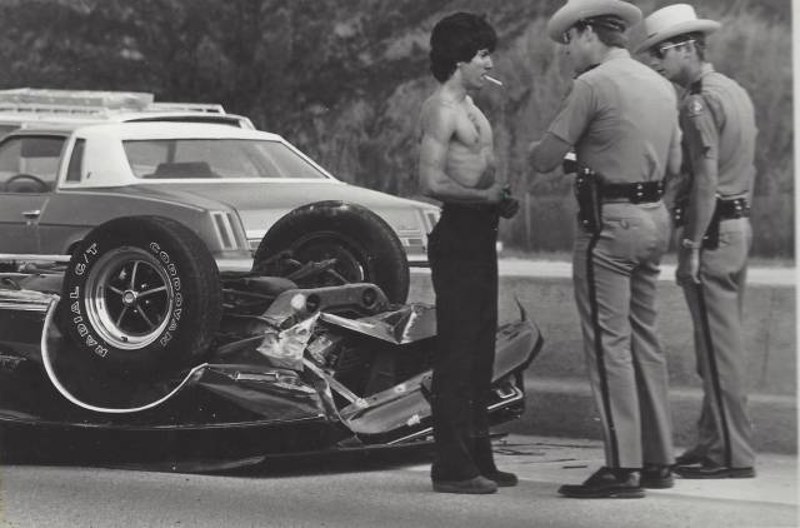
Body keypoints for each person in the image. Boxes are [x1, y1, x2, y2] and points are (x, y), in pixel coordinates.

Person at [528, 0, 683, 498]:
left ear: (585, 32)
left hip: (609, 226)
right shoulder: (660, 84)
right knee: (645, 340)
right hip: (655, 218)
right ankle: (659, 461)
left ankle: (622, 467)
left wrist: (576, 156)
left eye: (568, 42)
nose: (567, 52)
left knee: (608, 345)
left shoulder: (592, 84)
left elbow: (545, 158)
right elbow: (675, 161)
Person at [638, 3, 757, 479]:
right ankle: (714, 443)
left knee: (716, 354)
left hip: (712, 232)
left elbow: (706, 180)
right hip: (738, 226)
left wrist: (689, 248)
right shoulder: (734, 90)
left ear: (688, 47)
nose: (656, 63)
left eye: (661, 52)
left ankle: (730, 454)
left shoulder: (696, 101)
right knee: (720, 347)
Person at [418, 11, 520, 495]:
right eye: (482, 54)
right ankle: (451, 466)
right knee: (458, 351)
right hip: (458, 234)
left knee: (480, 349)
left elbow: (478, 168)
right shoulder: (442, 108)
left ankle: (479, 455)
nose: (489, 61)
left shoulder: (473, 106)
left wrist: (497, 197)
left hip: (480, 231)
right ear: (460, 59)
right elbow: (431, 180)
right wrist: (484, 199)